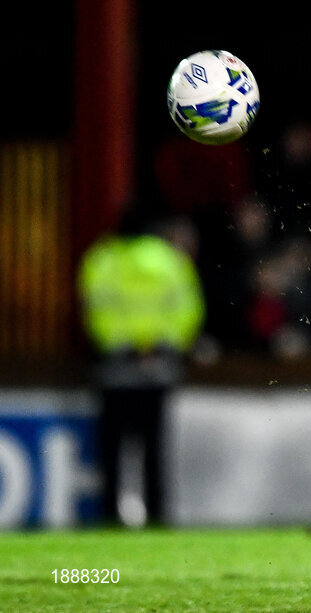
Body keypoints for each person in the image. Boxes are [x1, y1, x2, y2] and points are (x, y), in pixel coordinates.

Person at [77, 205, 205, 527]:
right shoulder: (171, 260)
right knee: (154, 451)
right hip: (158, 367)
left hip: (115, 368)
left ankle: (110, 518)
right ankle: (158, 517)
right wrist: (161, 344)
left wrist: (123, 345)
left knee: (112, 451)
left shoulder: (101, 260)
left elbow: (94, 310)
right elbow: (189, 310)